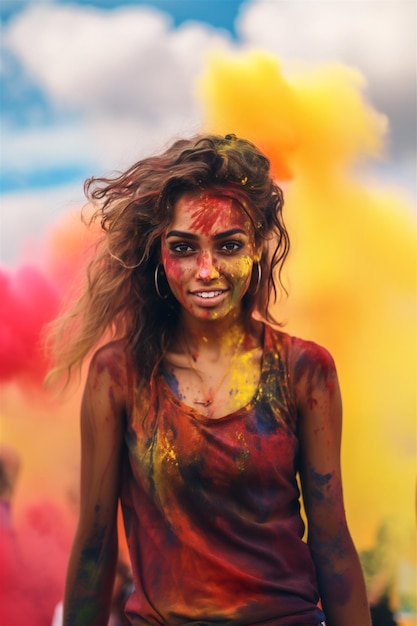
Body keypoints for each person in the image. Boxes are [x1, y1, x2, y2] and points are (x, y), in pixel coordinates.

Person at [49, 133, 372, 626]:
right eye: (184, 248)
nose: (206, 270)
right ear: (159, 252)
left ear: (260, 245)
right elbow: (95, 545)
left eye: (229, 246)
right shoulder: (119, 376)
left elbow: (331, 541)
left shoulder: (305, 371)